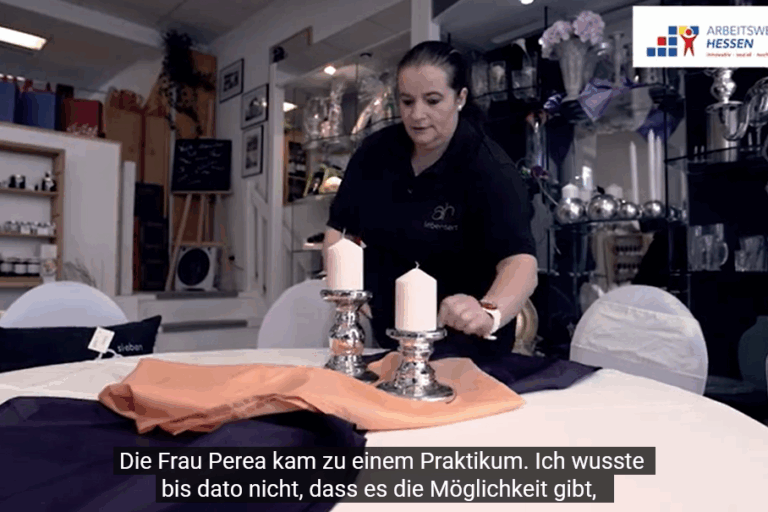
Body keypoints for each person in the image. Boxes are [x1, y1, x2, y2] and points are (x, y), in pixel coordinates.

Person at [323, 41, 538, 357]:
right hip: (389, 340)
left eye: (433, 101)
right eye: (407, 101)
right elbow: (338, 230)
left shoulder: (490, 167)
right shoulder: (374, 153)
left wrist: (488, 311)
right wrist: (350, 298)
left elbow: (521, 262)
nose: (417, 115)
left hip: (466, 348)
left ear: (460, 98)